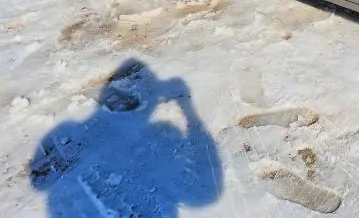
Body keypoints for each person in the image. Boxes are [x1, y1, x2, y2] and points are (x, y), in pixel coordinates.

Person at [29, 59, 222, 217]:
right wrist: (188, 110)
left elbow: (39, 181)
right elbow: (204, 193)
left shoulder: (69, 134)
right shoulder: (158, 141)